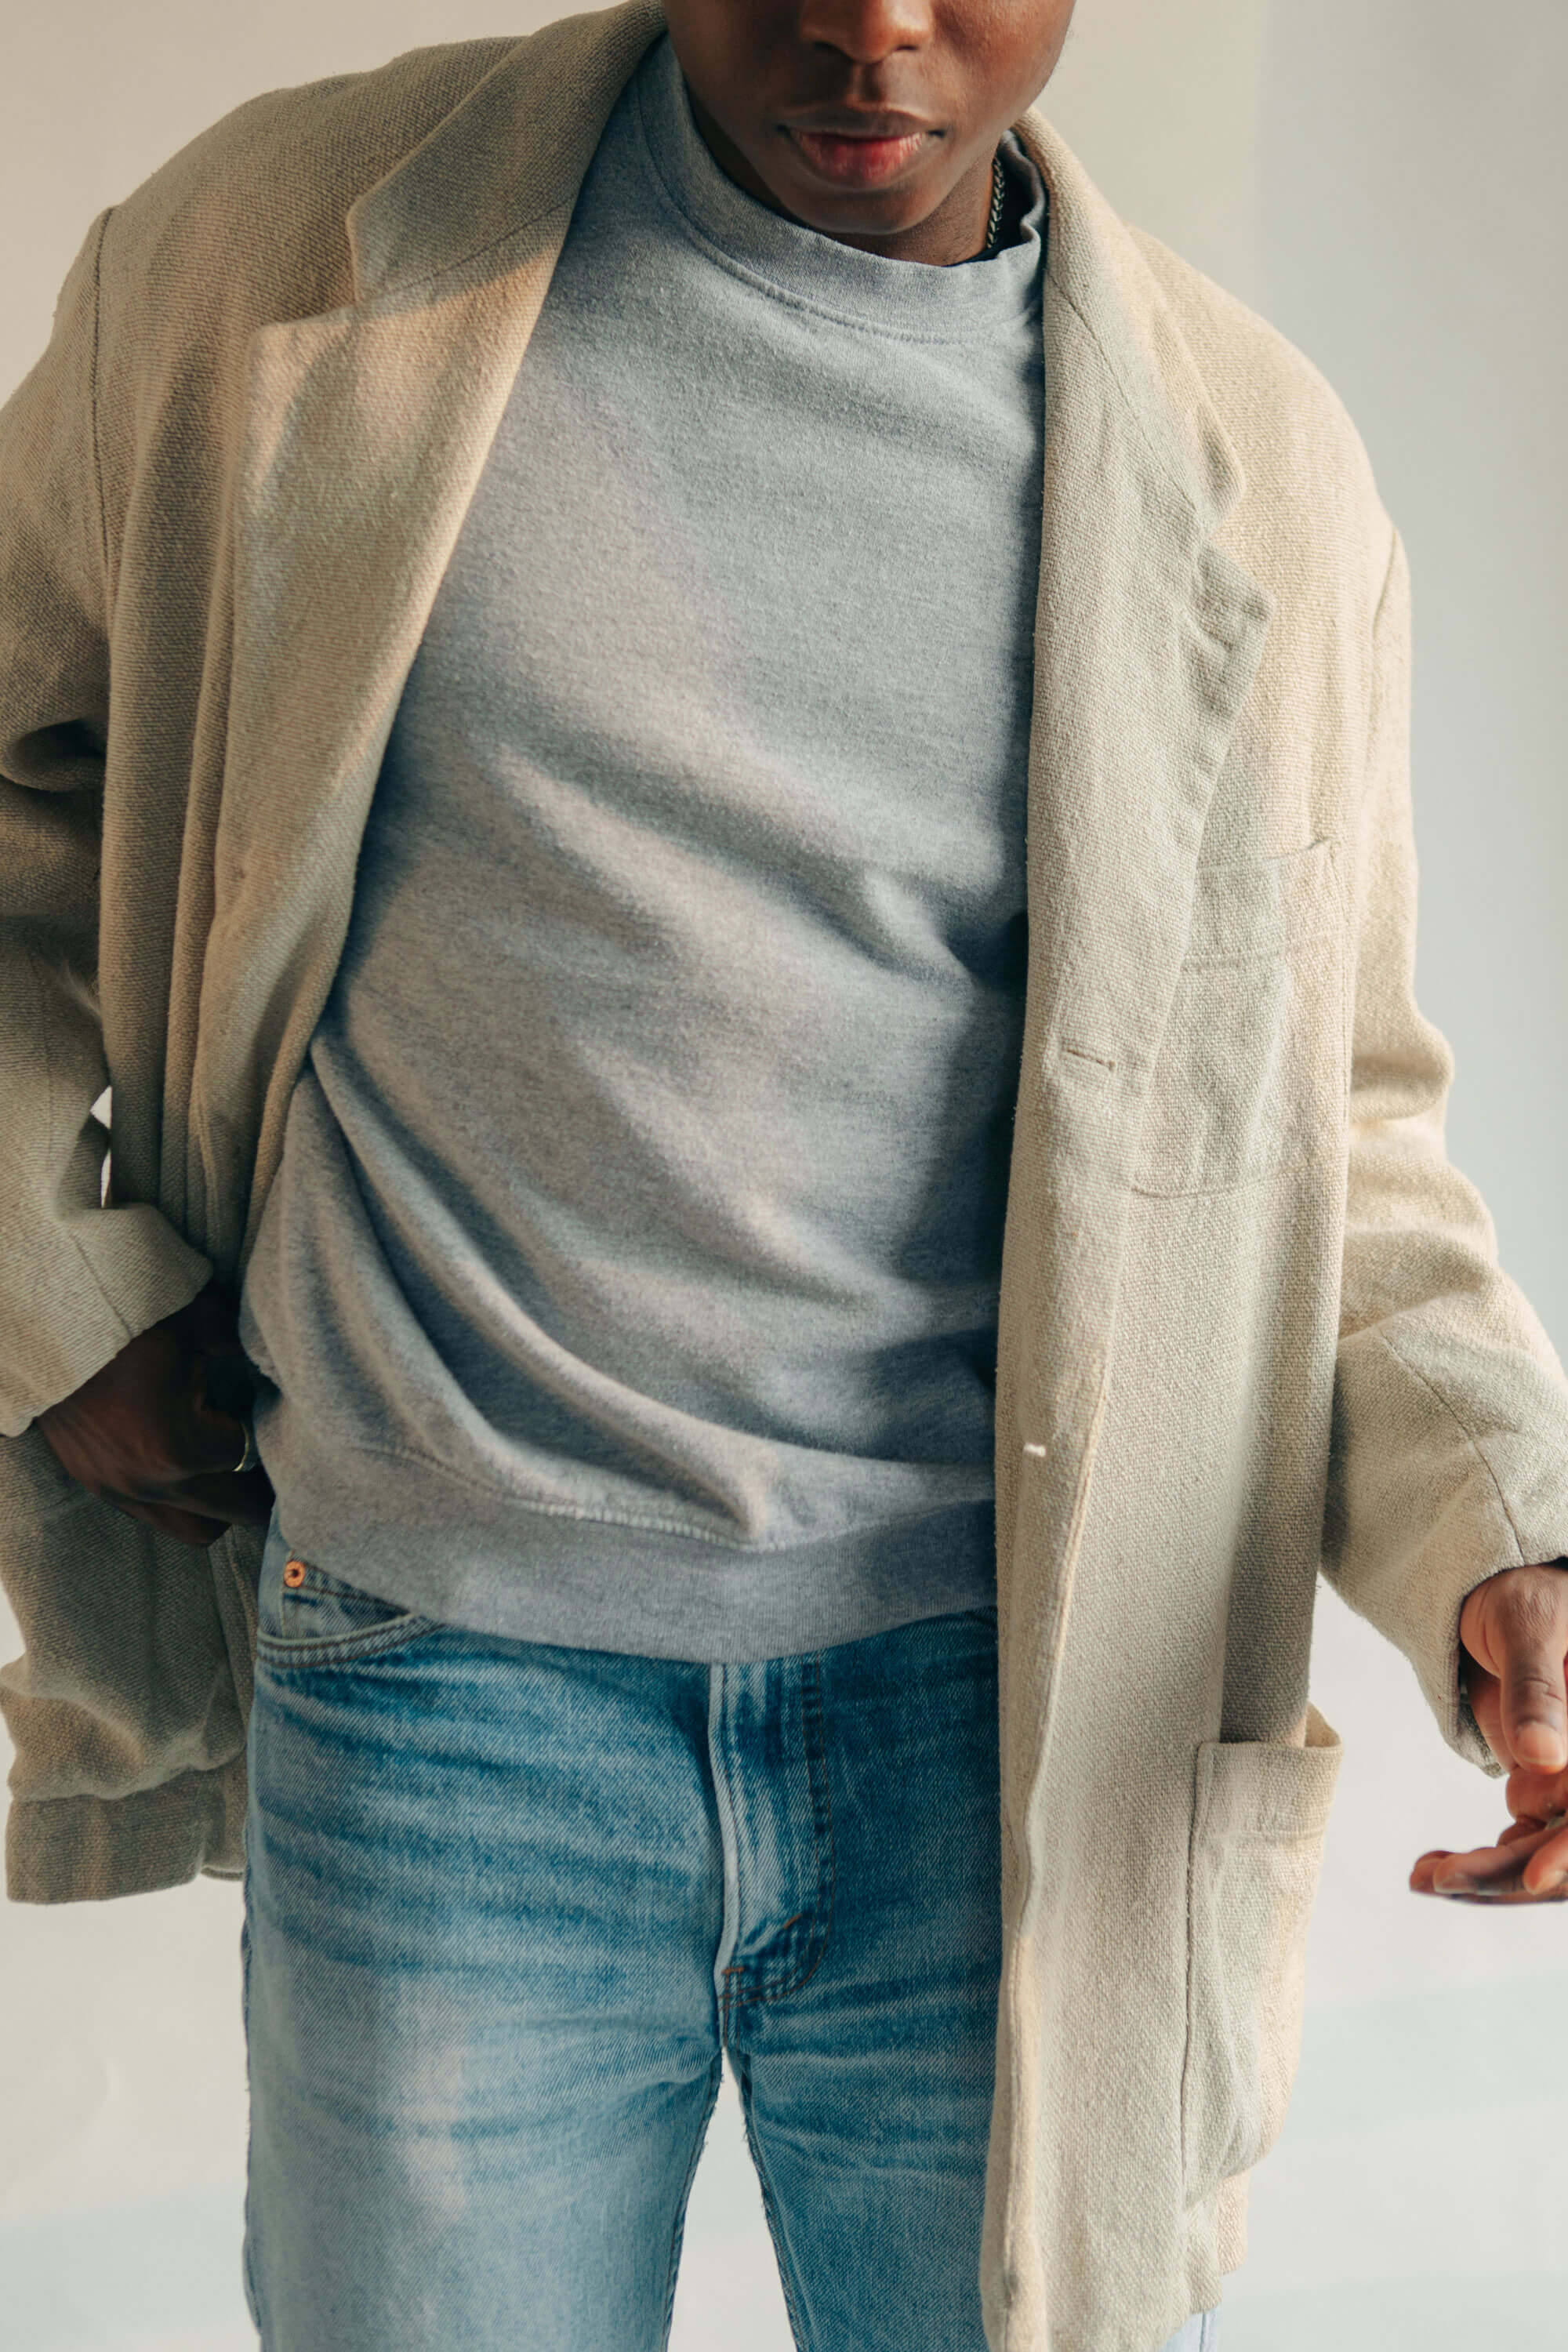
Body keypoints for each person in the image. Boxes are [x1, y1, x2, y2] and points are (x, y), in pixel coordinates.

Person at [5, 2, 1568, 2347]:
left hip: (1010, 1731)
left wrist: (1504, 1537)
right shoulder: (267, 271)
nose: (867, 26)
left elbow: (1323, 1117)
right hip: (448, 1690)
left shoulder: (1256, 465)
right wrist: (58, 1279)